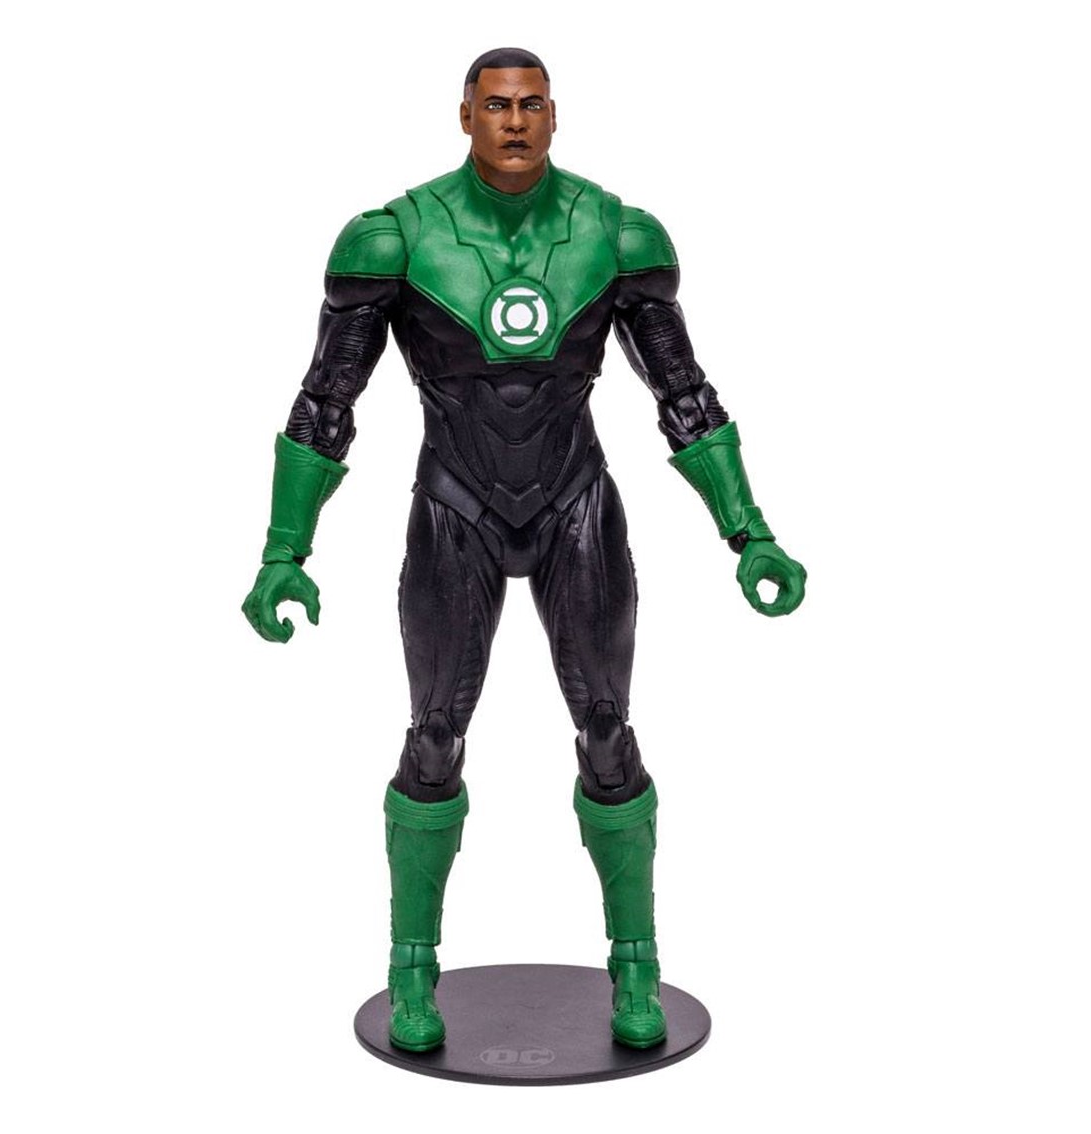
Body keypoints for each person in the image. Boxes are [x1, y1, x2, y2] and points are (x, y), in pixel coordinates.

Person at [242, 47, 806, 1054]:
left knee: (608, 731)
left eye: (531, 104)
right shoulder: (394, 238)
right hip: (454, 506)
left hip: (573, 503)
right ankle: (411, 971)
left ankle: (637, 965)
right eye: (496, 105)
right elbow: (327, 399)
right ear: (465, 115)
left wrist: (748, 531)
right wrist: (286, 548)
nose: (514, 120)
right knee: (433, 736)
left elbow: (683, 392)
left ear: (555, 115)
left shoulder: (616, 233)